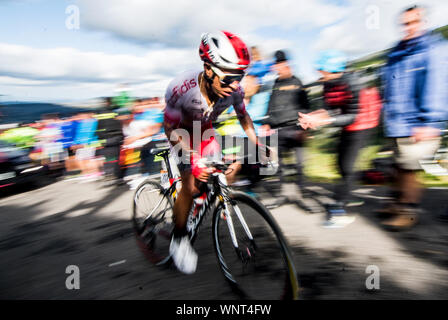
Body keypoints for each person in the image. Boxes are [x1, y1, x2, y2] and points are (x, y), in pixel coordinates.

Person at [163, 31, 267, 274]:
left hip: (205, 130)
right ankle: (178, 239)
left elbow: (244, 117)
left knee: (217, 172)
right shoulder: (182, 88)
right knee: (190, 183)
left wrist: (257, 143)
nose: (235, 85)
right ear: (208, 69)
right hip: (179, 132)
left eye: (239, 77)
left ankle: (199, 200)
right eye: (229, 77)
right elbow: (170, 129)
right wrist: (193, 158)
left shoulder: (235, 91)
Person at [379, 5, 448, 230]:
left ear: (423, 22)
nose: (409, 27)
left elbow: (437, 86)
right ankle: (397, 204)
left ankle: (409, 211)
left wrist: (430, 121)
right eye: (405, 24)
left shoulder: (434, 49)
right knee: (398, 166)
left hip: (419, 123)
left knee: (409, 168)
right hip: (396, 123)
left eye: (413, 22)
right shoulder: (397, 51)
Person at [299, 49, 382, 228]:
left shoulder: (352, 82)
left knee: (347, 165)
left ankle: (340, 209)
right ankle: (348, 194)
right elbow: (329, 109)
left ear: (333, 69)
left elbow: (352, 116)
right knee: (340, 164)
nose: (320, 74)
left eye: (323, 70)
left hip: (363, 123)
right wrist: (313, 117)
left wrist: (324, 121)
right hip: (347, 123)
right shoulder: (328, 83)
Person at [262, 50, 310, 206]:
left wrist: (305, 130)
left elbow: (306, 106)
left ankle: (301, 195)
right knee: (280, 164)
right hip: (278, 129)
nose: (277, 68)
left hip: (295, 128)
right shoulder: (275, 84)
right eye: (275, 65)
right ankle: (282, 195)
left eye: (279, 64)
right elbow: (271, 104)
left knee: (300, 164)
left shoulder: (297, 82)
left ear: (286, 64)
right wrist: (267, 121)